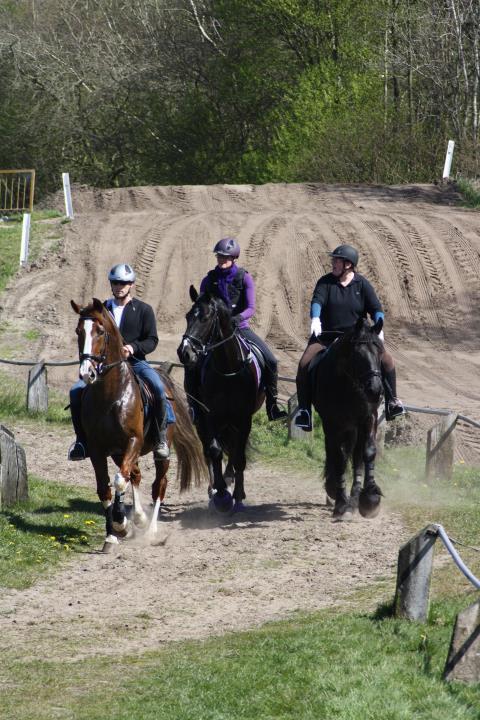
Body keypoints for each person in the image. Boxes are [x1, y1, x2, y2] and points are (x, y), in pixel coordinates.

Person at [294, 244, 404, 431]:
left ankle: (392, 401)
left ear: (348, 264)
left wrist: (379, 324)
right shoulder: (325, 282)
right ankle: (304, 411)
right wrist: (315, 318)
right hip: (327, 337)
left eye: (337, 260)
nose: (333, 263)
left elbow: (376, 308)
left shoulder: (362, 284)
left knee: (387, 360)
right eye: (334, 260)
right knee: (304, 363)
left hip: (358, 338)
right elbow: (317, 301)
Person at [68, 263, 170, 461]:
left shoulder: (144, 310)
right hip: (105, 367)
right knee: (75, 391)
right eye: (115, 283)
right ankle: (81, 441)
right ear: (111, 284)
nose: (119, 286)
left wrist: (133, 348)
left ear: (131, 284)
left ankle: (161, 438)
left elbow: (152, 340)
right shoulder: (102, 309)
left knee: (158, 388)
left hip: (136, 363)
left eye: (123, 283)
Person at [186, 237, 287, 422]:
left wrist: (237, 319)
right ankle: (193, 407)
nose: (222, 260)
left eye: (226, 257)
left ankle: (272, 405)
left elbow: (250, 307)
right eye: (219, 256)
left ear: (234, 258)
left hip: (240, 328)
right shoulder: (209, 280)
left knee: (271, 360)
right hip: (215, 334)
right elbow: (202, 306)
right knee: (192, 363)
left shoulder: (244, 277)